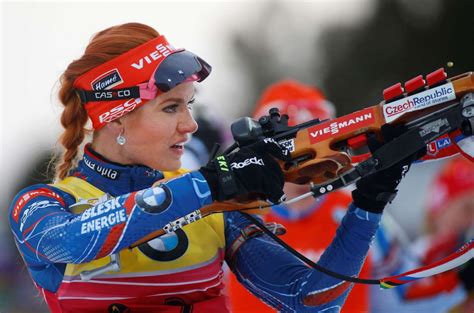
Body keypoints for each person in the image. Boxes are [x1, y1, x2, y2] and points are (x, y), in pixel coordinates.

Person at [8, 22, 415, 312]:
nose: (190, 124)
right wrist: (209, 184)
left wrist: (370, 201)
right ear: (115, 119)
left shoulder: (211, 209)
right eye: (171, 108)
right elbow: (70, 243)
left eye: (189, 104)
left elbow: (310, 299)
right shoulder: (43, 203)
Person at [227, 80, 372, 312]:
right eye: (291, 149)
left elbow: (400, 293)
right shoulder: (235, 215)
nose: (306, 163)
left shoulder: (357, 208)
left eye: (316, 145)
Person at [369, 156, 474, 313]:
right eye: (467, 209)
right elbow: (398, 301)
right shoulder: (423, 254)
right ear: (440, 207)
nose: (472, 219)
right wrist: (464, 279)